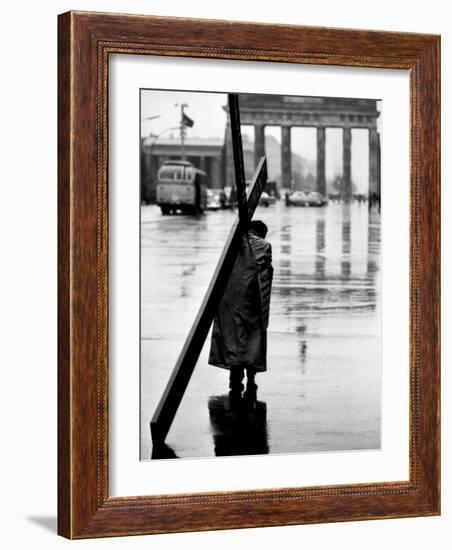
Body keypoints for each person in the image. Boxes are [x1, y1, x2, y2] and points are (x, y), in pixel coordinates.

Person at [208, 220, 273, 407]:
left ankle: (234, 379)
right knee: (253, 338)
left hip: (230, 299)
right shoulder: (263, 245)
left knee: (233, 337)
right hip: (253, 301)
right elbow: (265, 272)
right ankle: (251, 377)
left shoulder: (234, 242)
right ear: (262, 233)